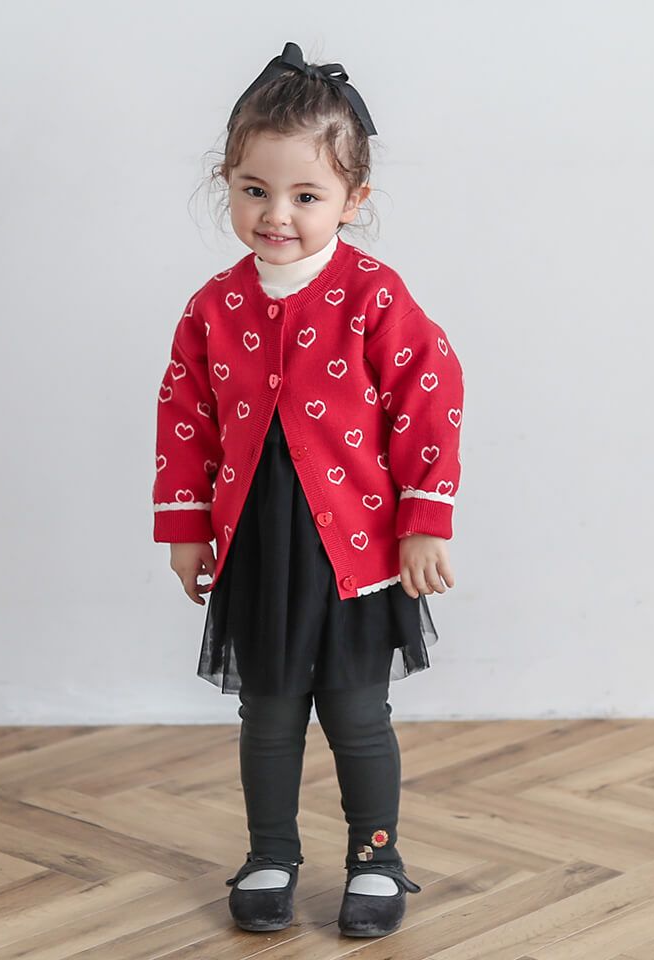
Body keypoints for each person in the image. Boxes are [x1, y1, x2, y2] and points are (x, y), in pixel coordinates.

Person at [152, 41, 465, 938]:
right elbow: (185, 418)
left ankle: (377, 858)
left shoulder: (375, 296)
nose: (276, 215)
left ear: (352, 200)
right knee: (268, 714)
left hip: (356, 549)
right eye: (255, 190)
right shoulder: (213, 307)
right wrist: (186, 529)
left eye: (306, 195)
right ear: (226, 182)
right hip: (259, 548)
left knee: (359, 713)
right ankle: (270, 853)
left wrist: (425, 522)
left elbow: (430, 397)